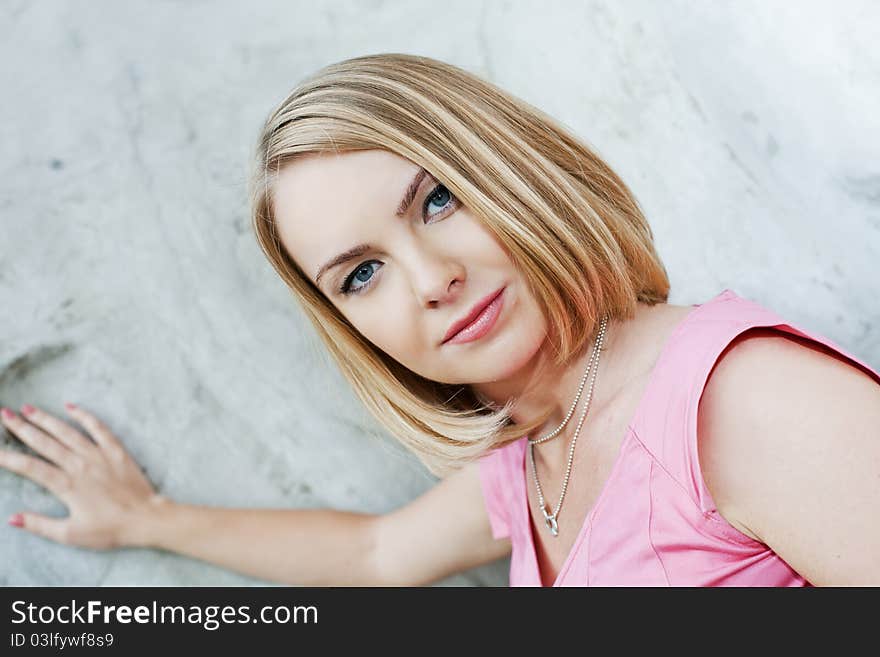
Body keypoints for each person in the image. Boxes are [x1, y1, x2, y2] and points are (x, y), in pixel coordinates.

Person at [2, 54, 878, 587]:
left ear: (510, 162)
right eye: (363, 273)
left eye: (438, 199)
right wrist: (145, 520)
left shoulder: (742, 404)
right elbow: (379, 553)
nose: (431, 280)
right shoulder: (538, 443)